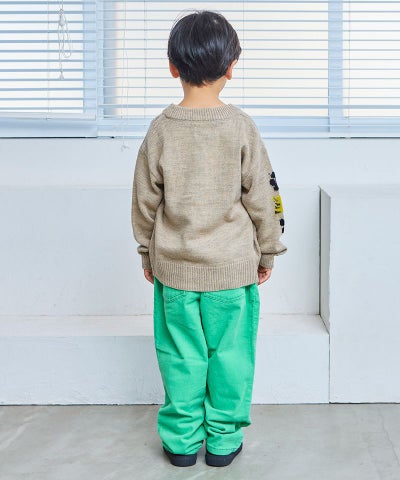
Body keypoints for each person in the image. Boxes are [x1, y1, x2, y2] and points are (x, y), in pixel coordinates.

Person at [131, 10, 287, 468]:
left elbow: (143, 200)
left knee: (180, 357)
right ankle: (222, 441)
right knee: (231, 356)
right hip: (232, 274)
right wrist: (268, 249)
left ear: (172, 66)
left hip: (175, 274)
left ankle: (181, 442)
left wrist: (148, 252)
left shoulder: (160, 129)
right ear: (231, 67)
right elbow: (267, 195)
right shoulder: (241, 126)